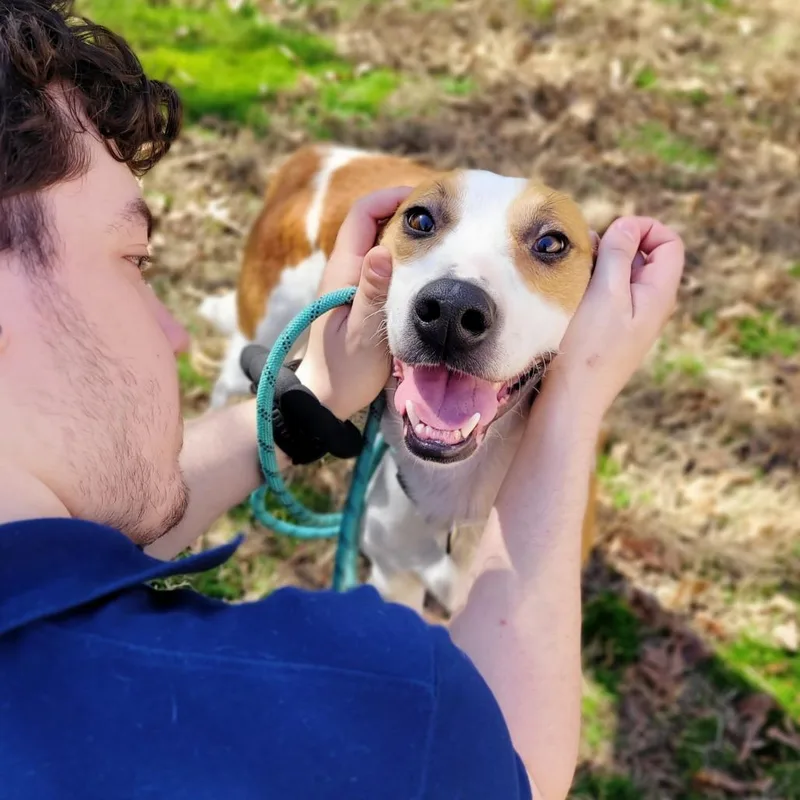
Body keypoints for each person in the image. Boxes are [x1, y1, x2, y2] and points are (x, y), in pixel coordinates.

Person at [0, 2, 685, 799]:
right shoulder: (383, 706)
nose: (172, 331)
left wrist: (309, 399)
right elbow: (506, 762)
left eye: (549, 248)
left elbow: (61, 540)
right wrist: (576, 406)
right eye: (136, 259)